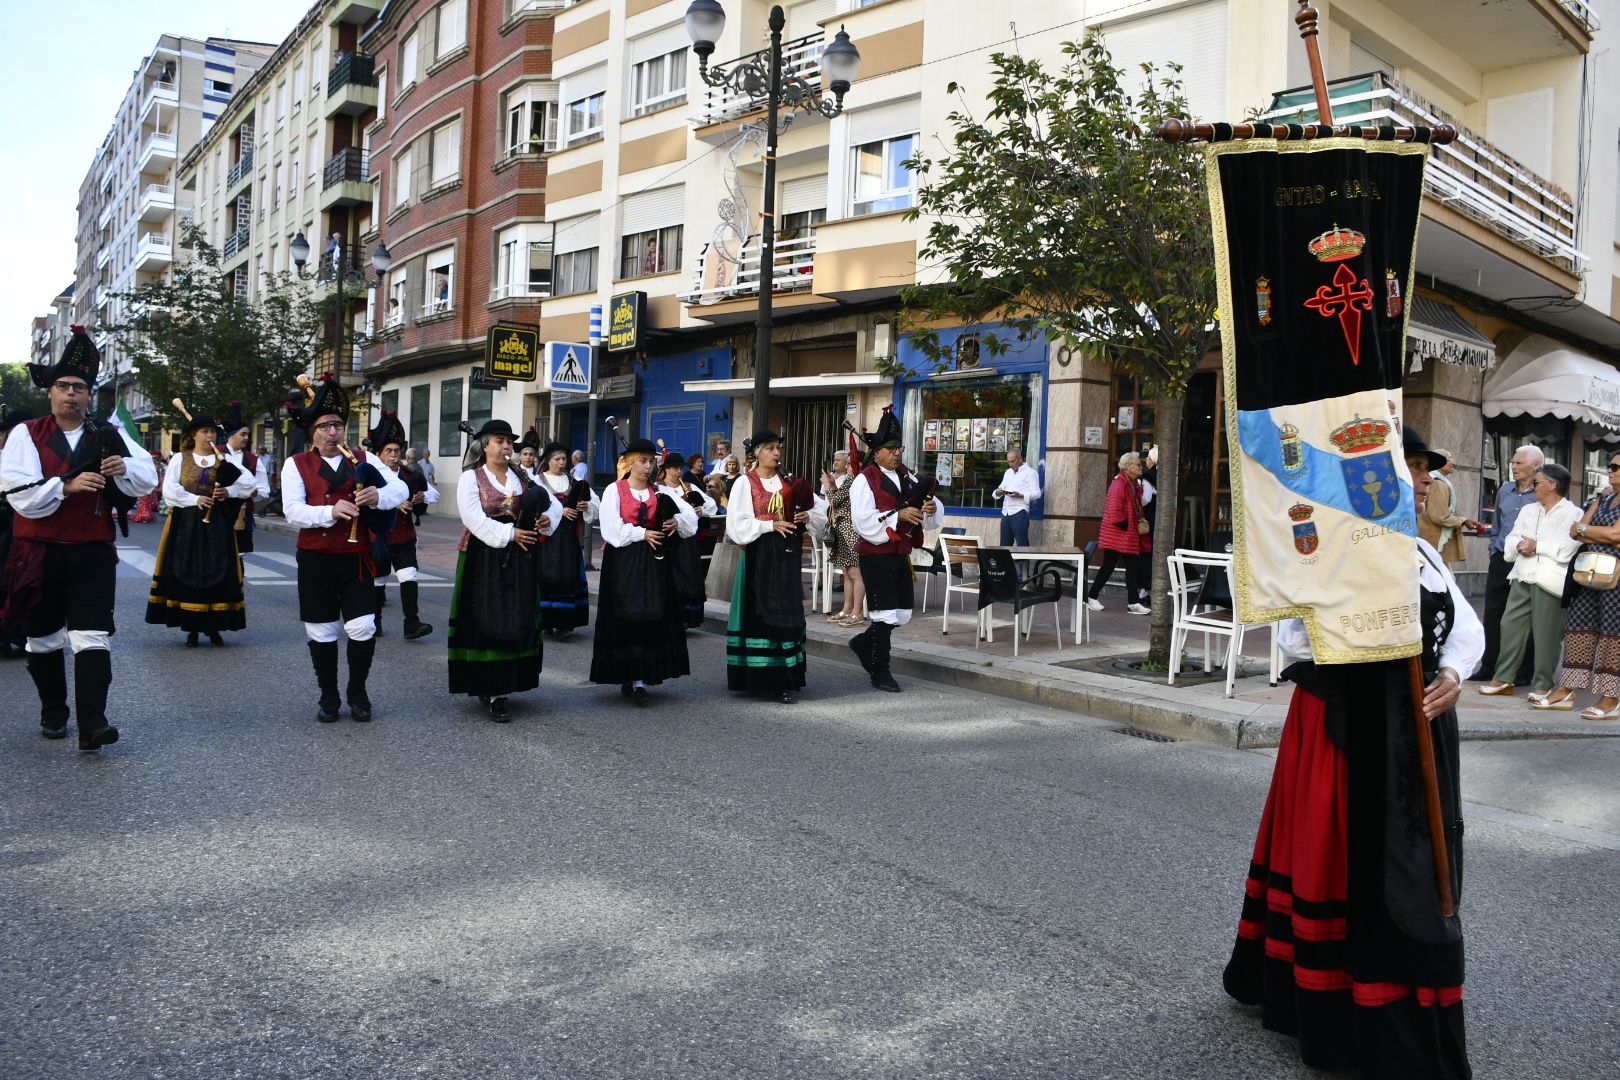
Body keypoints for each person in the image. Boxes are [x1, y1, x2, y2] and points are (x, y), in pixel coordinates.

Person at [1223, 425, 1482, 1080]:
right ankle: (1338, 1007)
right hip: (1348, 727)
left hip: (1417, 730)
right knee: (1344, 862)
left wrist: (1452, 674)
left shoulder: (1424, 552)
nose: (1426, 480)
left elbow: (1464, 627)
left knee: (1416, 868)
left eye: (1426, 468)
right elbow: (1294, 643)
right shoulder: (1327, 546)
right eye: (1416, 467)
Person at [2, 327, 157, 750]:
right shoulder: (26, 434)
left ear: (90, 395)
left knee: (92, 636)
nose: (72, 394)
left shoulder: (107, 432)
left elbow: (147, 477)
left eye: (80, 388)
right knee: (43, 639)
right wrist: (65, 487)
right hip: (38, 551)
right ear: (50, 392)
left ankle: (93, 723)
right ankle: (54, 711)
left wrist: (121, 469)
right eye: (64, 386)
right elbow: (17, 491)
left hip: (91, 551)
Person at [281, 374, 407, 722]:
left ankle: (358, 690)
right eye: (324, 426)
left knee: (363, 626)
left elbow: (401, 490)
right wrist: (330, 511)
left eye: (337, 424)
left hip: (357, 558)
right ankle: (328, 695)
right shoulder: (297, 464)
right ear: (312, 431)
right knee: (321, 630)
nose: (332, 432)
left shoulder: (363, 458)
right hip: (316, 558)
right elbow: (292, 510)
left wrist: (378, 495)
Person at [449, 419, 561, 720]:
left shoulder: (523, 477)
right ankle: (488, 685)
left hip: (521, 555)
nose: (506, 446)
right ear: (485, 445)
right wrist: (510, 534)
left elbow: (554, 505)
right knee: (487, 615)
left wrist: (546, 519)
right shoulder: (471, 478)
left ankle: (504, 687)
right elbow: (472, 518)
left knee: (514, 614)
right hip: (482, 555)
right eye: (499, 441)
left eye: (509, 441)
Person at [590, 438, 695, 703]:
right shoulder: (615, 490)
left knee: (652, 616)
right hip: (624, 562)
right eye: (642, 460)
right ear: (628, 463)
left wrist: (675, 521)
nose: (648, 466)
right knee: (627, 616)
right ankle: (628, 674)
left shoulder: (660, 492)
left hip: (655, 564)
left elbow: (691, 519)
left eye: (651, 461)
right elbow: (611, 529)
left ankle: (641, 678)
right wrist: (642, 532)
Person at [847, 406, 944, 693]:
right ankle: (880, 671)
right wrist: (896, 516)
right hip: (875, 554)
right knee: (883, 612)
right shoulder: (866, 478)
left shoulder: (906, 475)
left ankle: (863, 643)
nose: (896, 453)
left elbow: (926, 507)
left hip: (900, 553)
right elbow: (861, 519)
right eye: (890, 449)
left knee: (900, 611)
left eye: (898, 448)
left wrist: (928, 507)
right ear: (876, 452)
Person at [145, 406, 258, 647]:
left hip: (217, 524)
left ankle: (214, 627)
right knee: (188, 571)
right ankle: (192, 629)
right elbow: (170, 491)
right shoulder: (180, 458)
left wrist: (228, 491)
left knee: (217, 571)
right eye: (205, 432)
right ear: (193, 435)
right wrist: (195, 499)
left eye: (213, 433)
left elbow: (249, 484)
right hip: (186, 523)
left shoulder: (224, 459)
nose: (210, 437)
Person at [724, 432, 824, 702]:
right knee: (762, 613)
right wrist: (770, 525)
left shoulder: (788, 481)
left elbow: (818, 514)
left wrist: (806, 516)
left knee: (786, 612)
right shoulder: (746, 483)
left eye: (778, 447)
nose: (776, 453)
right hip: (759, 556)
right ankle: (762, 677)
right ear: (757, 452)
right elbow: (736, 525)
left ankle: (785, 677)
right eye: (769, 448)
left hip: (786, 556)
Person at [1476, 462, 1580, 698]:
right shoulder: (1529, 510)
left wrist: (1537, 546)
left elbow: (1568, 547)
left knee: (1547, 633)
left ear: (1552, 485)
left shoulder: (1573, 513)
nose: (1533, 487)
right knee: (1509, 625)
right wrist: (1520, 546)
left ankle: (1543, 684)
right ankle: (1503, 678)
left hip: (1550, 580)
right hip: (1522, 574)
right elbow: (1512, 537)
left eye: (1537, 482)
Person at [1542, 450, 1620, 719]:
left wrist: (1592, 533)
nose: (1610, 470)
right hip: (1589, 573)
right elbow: (1575, 529)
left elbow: (1616, 534)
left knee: (1613, 635)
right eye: (1610, 465)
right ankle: (1566, 689)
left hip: (1617, 577)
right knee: (1579, 629)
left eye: (1616, 467)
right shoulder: (1603, 498)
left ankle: (1611, 698)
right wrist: (1598, 535)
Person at [1476, 444, 1542, 679]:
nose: (1513, 466)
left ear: (1536, 466)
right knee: (1493, 613)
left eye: (1518, 463)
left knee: (1526, 616)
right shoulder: (1504, 491)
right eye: (1512, 462)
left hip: (1528, 561)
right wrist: (1493, 549)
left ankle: (1524, 671)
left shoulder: (1543, 493)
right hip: (1501, 559)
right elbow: (1497, 523)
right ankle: (1488, 665)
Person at [368, 412, 436, 641]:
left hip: (405, 535)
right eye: (389, 451)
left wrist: (420, 498)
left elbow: (434, 494)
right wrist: (396, 502)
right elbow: (368, 499)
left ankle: (411, 623)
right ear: (379, 453)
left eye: (397, 451)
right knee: (378, 580)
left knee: (409, 576)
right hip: (380, 535)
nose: (394, 455)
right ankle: (374, 622)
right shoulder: (373, 474)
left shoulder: (409, 473)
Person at [536, 440, 597, 639]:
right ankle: (545, 620)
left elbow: (595, 502)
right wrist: (559, 511)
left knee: (567, 576)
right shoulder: (537, 481)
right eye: (556, 459)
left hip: (569, 538)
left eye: (563, 459)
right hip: (546, 538)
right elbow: (531, 506)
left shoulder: (574, 482)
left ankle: (564, 623)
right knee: (546, 576)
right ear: (548, 460)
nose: (561, 463)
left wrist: (586, 505)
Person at [659, 447, 718, 630]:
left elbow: (712, 505)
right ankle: (669, 615)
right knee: (670, 577)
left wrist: (702, 510)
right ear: (667, 469)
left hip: (687, 541)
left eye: (680, 468)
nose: (679, 471)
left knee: (689, 577)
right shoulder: (658, 487)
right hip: (667, 540)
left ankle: (686, 617)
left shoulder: (690, 487)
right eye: (675, 468)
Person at [1087, 451, 1151, 614]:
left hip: (1125, 534)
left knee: (1132, 567)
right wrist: (1125, 526)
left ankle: (1133, 602)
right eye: (1137, 464)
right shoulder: (1119, 484)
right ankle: (1091, 596)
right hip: (1117, 534)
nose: (1140, 466)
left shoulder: (1131, 483)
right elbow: (1114, 509)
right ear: (1128, 467)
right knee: (1108, 567)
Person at [0, 407, 34, 658]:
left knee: (24, 581)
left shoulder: (32, 456)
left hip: (23, 527)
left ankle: (24, 634)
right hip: (5, 527)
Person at [823, 448, 866, 627]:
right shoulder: (850, 479)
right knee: (847, 573)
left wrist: (827, 485)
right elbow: (838, 498)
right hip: (843, 530)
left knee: (855, 573)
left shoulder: (855, 478)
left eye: (850, 463)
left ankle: (857, 612)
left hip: (852, 531)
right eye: (847, 463)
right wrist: (832, 485)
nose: (847, 466)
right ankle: (846, 610)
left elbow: (835, 500)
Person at [219, 402, 269, 555]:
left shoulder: (253, 459)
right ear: (231, 435)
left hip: (243, 513)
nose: (247, 438)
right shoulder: (215, 452)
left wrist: (254, 492)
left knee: (239, 554)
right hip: (218, 510)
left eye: (248, 434)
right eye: (243, 434)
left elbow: (264, 490)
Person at [1417, 449, 1480, 567]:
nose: (1453, 462)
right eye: (1449, 458)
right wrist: (1463, 521)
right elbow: (1440, 517)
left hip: (1428, 542)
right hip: (1434, 543)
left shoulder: (1433, 481)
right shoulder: (1438, 484)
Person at [993, 447, 1041, 547]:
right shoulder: (1008, 472)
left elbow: (1037, 493)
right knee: (1004, 546)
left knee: (1022, 545)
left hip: (1020, 511)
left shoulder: (1030, 473)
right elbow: (1000, 487)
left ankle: (1023, 562)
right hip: (1006, 512)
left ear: (1020, 459)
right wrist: (998, 492)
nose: (1010, 464)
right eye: (1009, 462)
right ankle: (1006, 563)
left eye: (1013, 461)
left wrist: (1021, 495)